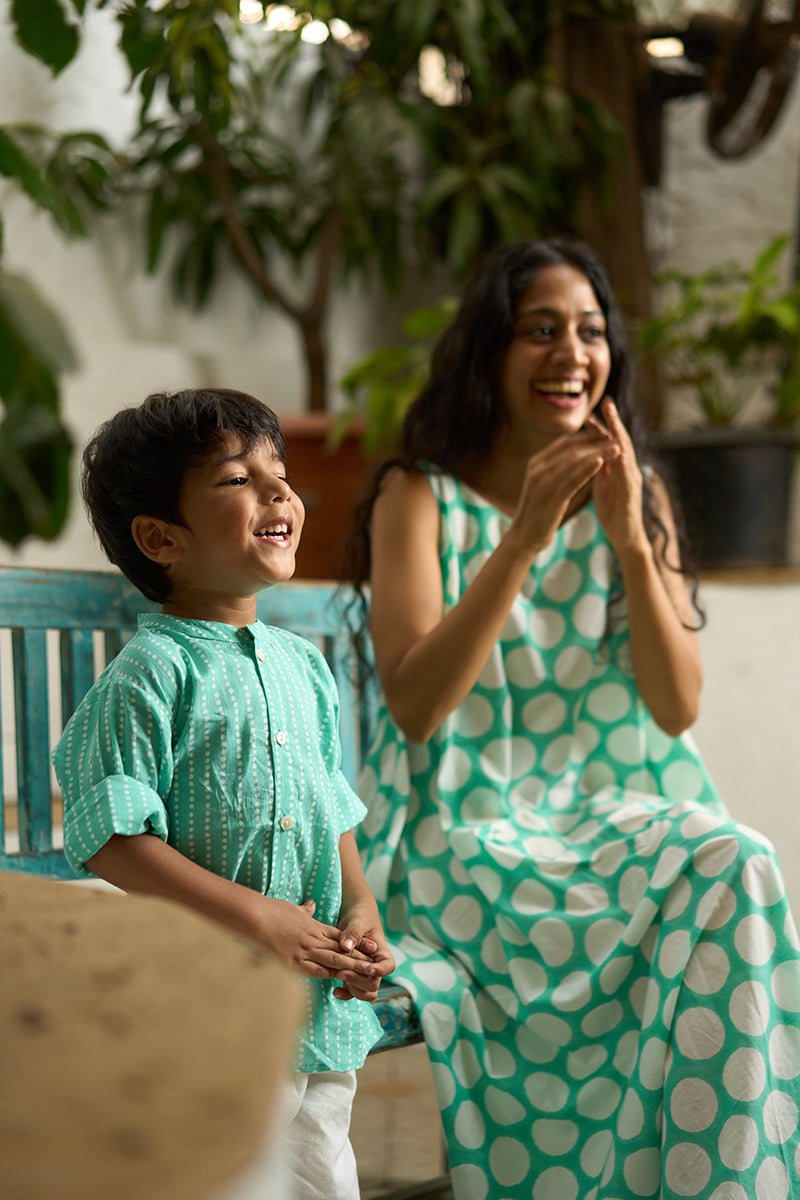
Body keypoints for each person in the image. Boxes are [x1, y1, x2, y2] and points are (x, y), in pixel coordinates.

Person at [346, 240, 800, 1200]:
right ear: (488, 354)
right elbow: (419, 710)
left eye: (590, 332)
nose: (570, 354)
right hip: (455, 833)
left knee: (737, 860)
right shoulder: (416, 496)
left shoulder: (639, 499)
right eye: (539, 331)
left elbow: (677, 706)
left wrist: (630, 534)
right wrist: (524, 538)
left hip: (600, 818)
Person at [54, 388, 395, 1200]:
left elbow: (329, 802)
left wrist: (361, 903)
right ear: (161, 537)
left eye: (279, 471)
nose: (279, 491)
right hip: (209, 1002)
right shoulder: (153, 673)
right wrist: (256, 917)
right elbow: (107, 834)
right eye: (239, 479)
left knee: (321, 1171)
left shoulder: (302, 665)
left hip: (314, 1000)